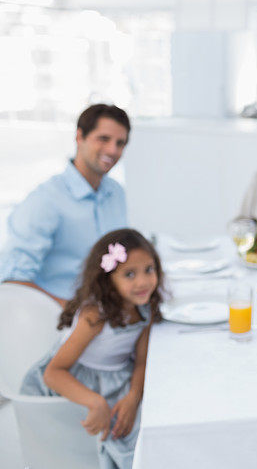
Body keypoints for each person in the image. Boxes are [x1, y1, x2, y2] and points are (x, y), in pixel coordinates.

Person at [20, 228, 163, 469]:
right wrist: (95, 402)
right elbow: (53, 372)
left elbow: (141, 360)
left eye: (149, 270)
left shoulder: (144, 307)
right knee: (127, 435)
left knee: (151, 414)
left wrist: (133, 396)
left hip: (120, 377)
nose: (143, 281)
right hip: (77, 379)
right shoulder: (95, 316)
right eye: (129, 274)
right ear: (108, 280)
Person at [0, 104, 130, 306]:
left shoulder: (116, 193)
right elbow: (13, 280)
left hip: (107, 312)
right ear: (80, 137)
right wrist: (72, 311)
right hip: (61, 319)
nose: (113, 150)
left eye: (120, 143)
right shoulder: (45, 200)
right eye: (103, 139)